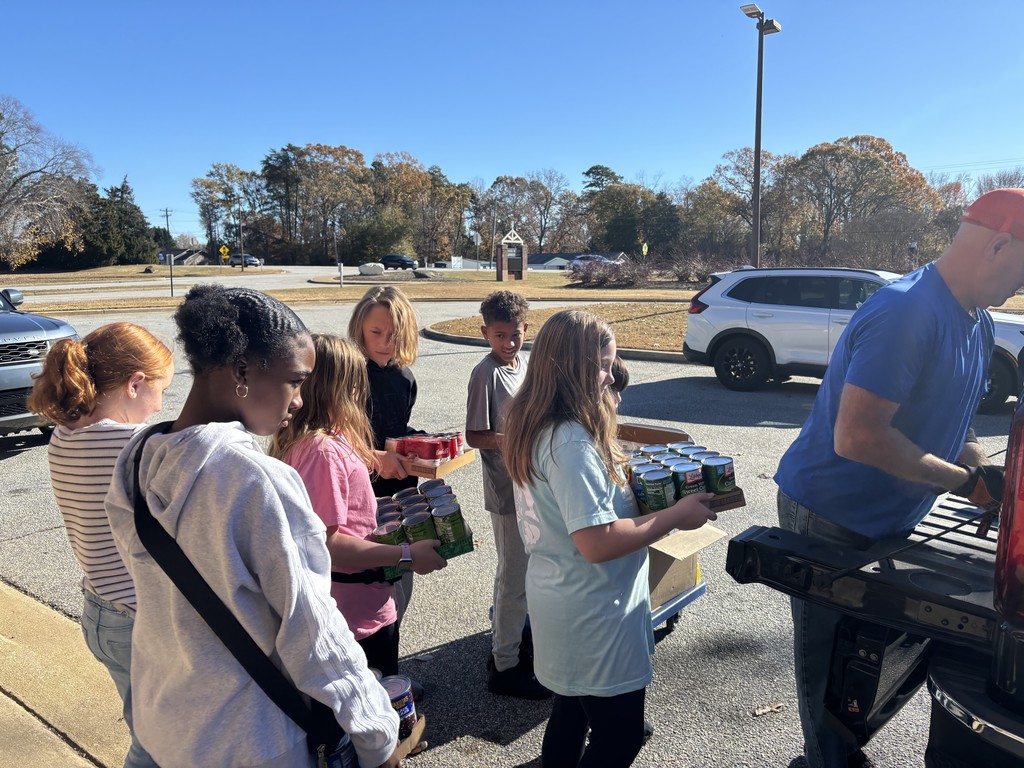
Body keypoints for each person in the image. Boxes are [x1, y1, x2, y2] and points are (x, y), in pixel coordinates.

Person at [773, 188, 1024, 768]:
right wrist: (962, 486)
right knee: (828, 663)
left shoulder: (979, 323)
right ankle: (826, 760)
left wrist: (979, 466)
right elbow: (856, 437)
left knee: (876, 660)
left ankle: (837, 748)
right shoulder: (906, 310)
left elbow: (958, 423)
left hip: (891, 515)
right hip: (830, 512)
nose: (1022, 285)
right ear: (999, 244)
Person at [105, 285, 401, 768]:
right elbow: (312, 628)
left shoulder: (138, 457)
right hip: (250, 737)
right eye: (295, 381)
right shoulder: (257, 479)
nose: (301, 401)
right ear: (242, 371)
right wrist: (378, 736)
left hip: (167, 719)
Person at [503, 309, 717, 768]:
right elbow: (596, 542)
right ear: (574, 367)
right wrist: (676, 515)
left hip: (563, 600)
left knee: (570, 714)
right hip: (594, 616)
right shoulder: (570, 443)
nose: (610, 376)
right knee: (620, 738)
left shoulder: (538, 423)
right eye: (603, 365)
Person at [28, 322, 173, 768]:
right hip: (137, 620)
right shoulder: (134, 444)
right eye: (161, 390)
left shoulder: (62, 437)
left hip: (99, 612)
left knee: (148, 734)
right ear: (135, 384)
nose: (161, 403)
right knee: (163, 746)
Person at [270, 333, 446, 677]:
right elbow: (327, 544)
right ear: (337, 389)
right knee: (371, 719)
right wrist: (408, 554)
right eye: (355, 385)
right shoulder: (322, 452)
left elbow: (346, 512)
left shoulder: (331, 439)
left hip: (362, 605)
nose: (360, 395)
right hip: (352, 618)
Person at [464, 290, 548, 699]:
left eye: (515, 335)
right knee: (512, 578)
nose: (508, 343)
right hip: (505, 490)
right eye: (500, 336)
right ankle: (504, 666)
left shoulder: (524, 364)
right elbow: (474, 435)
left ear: (525, 331)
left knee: (532, 574)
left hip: (531, 485)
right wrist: (512, 438)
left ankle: (517, 642)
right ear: (485, 333)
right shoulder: (486, 374)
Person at [348, 285, 422, 655]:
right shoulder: (348, 378)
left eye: (394, 335)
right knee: (366, 596)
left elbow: (394, 431)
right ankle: (371, 678)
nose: (385, 342)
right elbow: (330, 439)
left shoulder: (405, 379)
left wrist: (420, 444)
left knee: (401, 586)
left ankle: (391, 674)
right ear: (359, 328)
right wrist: (375, 456)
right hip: (358, 503)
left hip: (400, 498)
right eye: (376, 332)